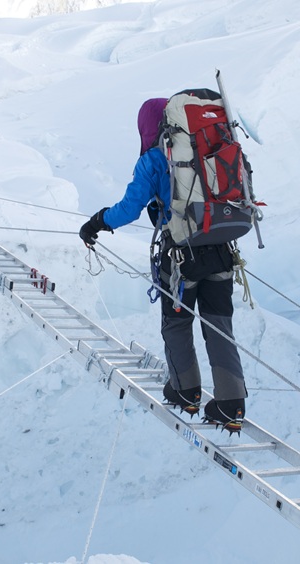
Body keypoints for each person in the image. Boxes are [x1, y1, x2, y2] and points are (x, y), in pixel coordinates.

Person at [79, 98, 248, 432]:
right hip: (222, 247)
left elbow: (129, 209)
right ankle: (232, 404)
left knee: (177, 324)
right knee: (219, 326)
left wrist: (96, 222)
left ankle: (186, 390)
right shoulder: (207, 149)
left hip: (182, 257)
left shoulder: (154, 159)